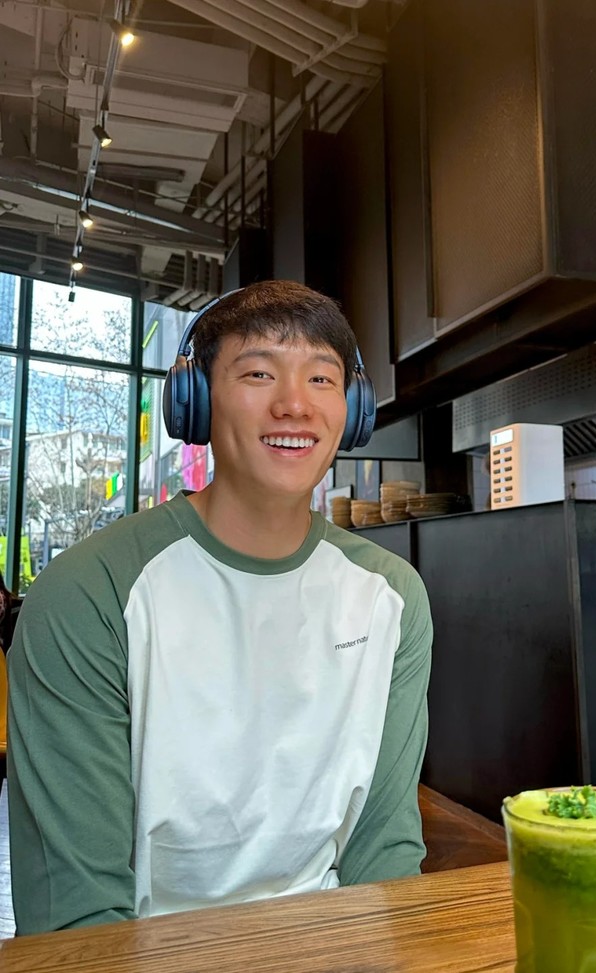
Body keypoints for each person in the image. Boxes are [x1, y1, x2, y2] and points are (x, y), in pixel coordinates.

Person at [7, 280, 433, 935]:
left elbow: (385, 850)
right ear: (196, 401)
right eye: (259, 372)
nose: (294, 404)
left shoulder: (391, 596)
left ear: (352, 410)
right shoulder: (90, 593)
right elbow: (77, 913)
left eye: (322, 378)